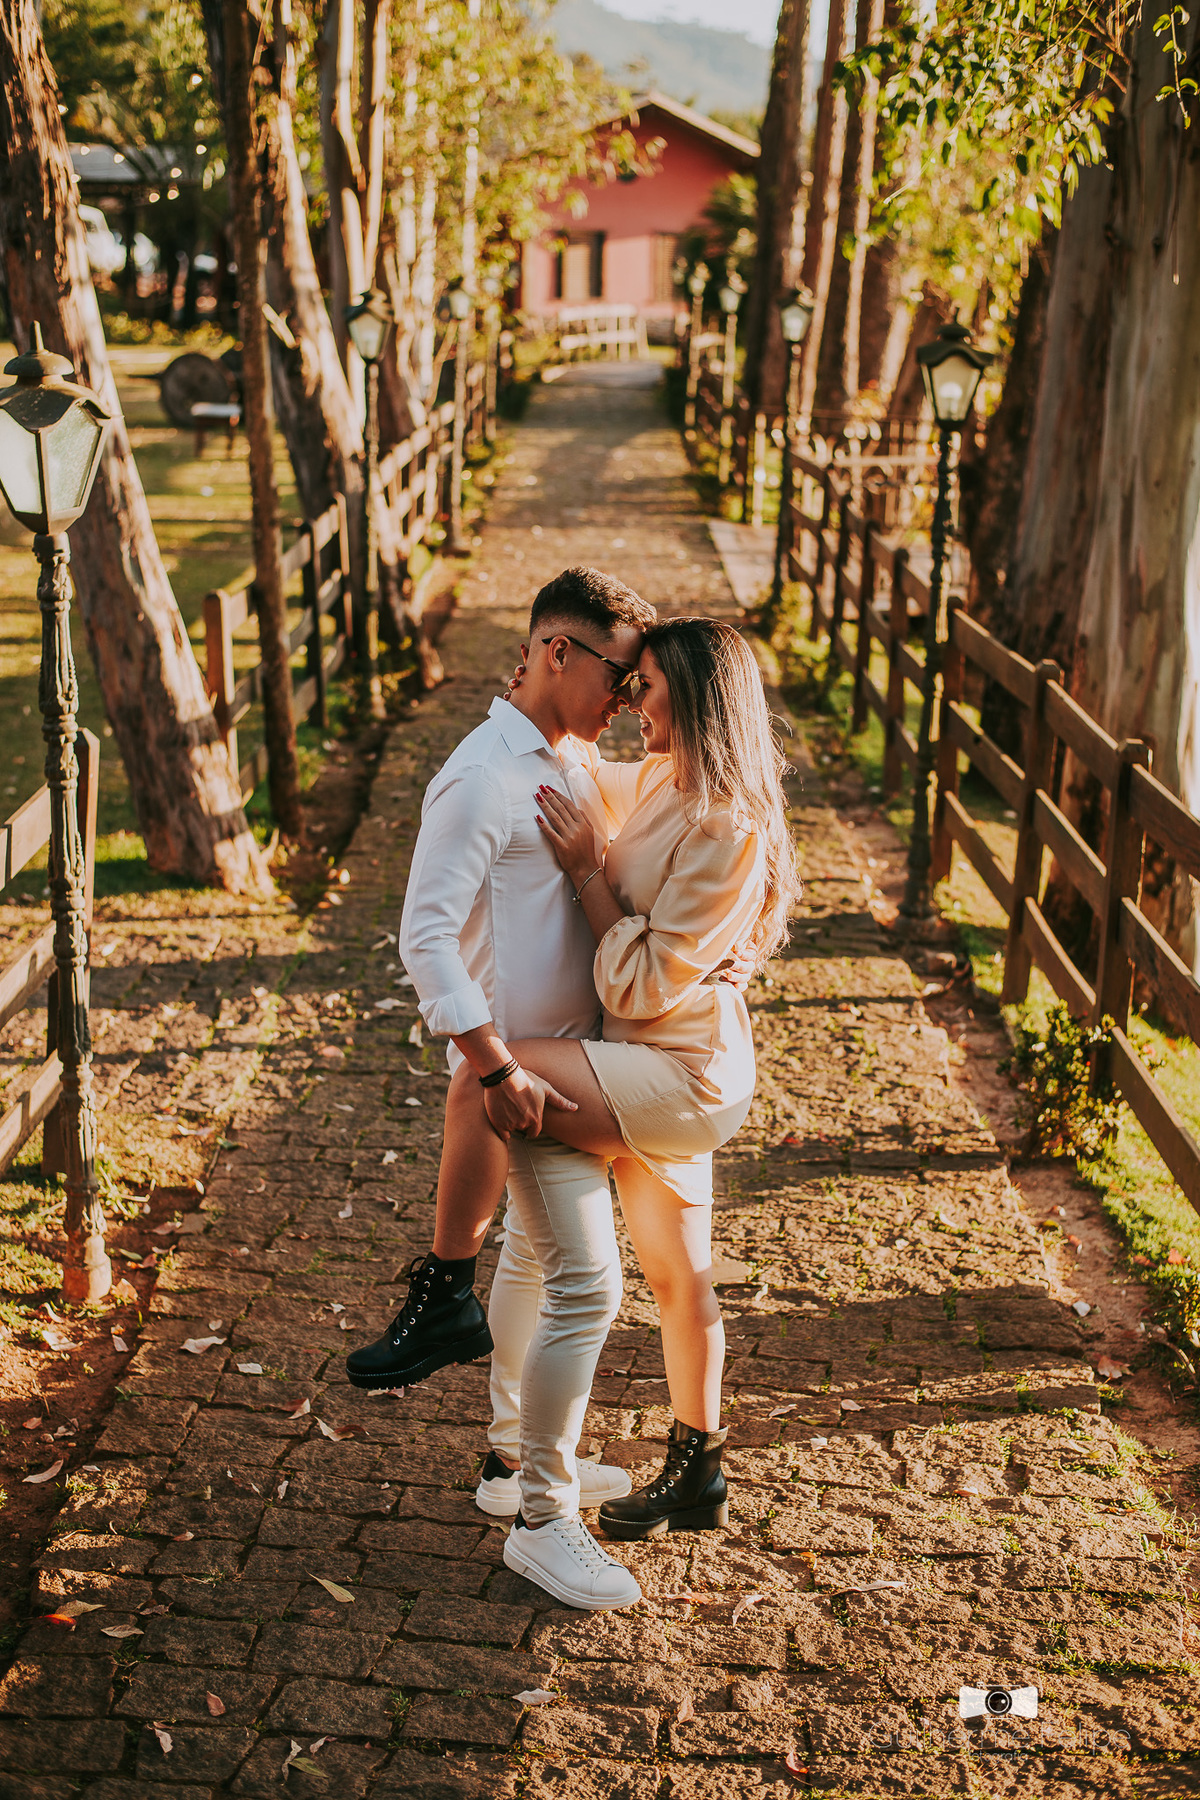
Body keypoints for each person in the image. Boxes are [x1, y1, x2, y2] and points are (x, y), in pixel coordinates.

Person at [353, 615, 799, 1580]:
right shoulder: (663, 781)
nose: (632, 702)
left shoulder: (727, 825)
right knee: (679, 1276)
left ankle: (445, 1290)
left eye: (647, 687)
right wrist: (532, 701)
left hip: (679, 1071)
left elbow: (639, 983)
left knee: (489, 1072)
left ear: (697, 697)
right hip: (636, 1060)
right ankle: (697, 1468)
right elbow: (572, 775)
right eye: (626, 682)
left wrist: (592, 871)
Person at [347, 566, 656, 1612]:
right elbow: (425, 938)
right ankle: (542, 1519)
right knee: (589, 1285)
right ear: (557, 653)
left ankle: (509, 1463)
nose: (627, 696)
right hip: (523, 1081)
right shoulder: (481, 779)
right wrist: (495, 1065)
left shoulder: (571, 759)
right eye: (618, 674)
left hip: (573, 1064)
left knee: (529, 1261)